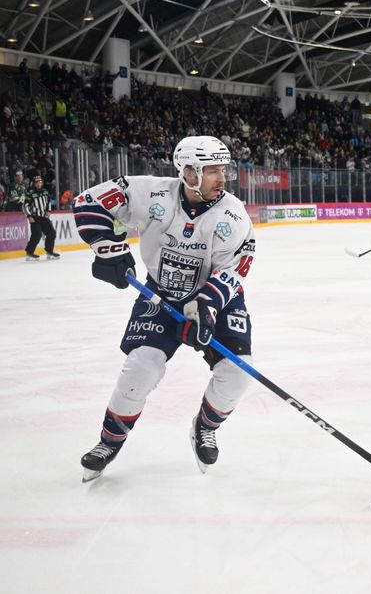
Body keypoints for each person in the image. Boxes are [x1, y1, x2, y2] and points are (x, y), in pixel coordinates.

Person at [72, 136, 257, 482]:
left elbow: (234, 269)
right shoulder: (152, 193)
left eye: (223, 169)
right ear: (188, 173)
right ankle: (109, 441)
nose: (223, 178)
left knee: (238, 372)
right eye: (213, 170)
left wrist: (203, 312)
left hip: (214, 298)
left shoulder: (232, 215)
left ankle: (204, 427)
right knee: (140, 369)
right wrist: (107, 247)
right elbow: (87, 202)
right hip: (160, 292)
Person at [22, 175, 58, 261]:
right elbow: (24, 206)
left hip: (43, 216)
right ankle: (29, 253)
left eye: (40, 182)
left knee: (51, 233)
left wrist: (49, 211)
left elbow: (48, 202)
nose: (38, 184)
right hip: (35, 217)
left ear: (42, 182)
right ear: (34, 183)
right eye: (36, 182)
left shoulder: (45, 191)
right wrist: (29, 216)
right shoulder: (30, 193)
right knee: (36, 235)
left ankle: (49, 251)